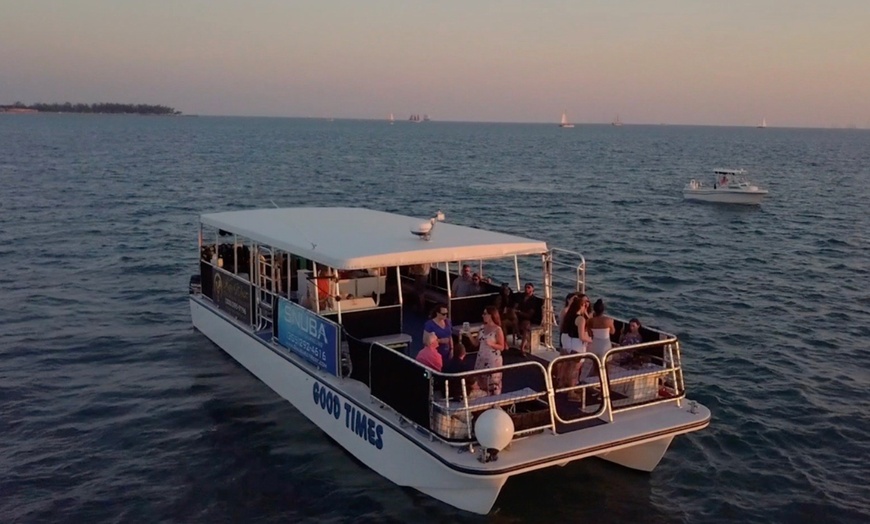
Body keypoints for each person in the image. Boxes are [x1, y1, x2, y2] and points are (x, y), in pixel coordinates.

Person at [473, 306, 507, 395]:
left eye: (485, 314)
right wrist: (468, 334)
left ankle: (494, 402)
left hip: (493, 360)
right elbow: (476, 343)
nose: (483, 316)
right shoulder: (481, 328)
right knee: (480, 381)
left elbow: (502, 347)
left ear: (491, 315)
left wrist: (491, 344)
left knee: (493, 384)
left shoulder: (498, 330)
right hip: (481, 358)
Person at [511, 283, 543, 353]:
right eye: (526, 287)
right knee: (512, 318)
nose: (526, 289)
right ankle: (518, 334)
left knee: (526, 326)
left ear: (532, 289)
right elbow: (515, 306)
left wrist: (519, 312)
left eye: (528, 287)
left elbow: (529, 315)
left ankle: (522, 347)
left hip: (526, 318)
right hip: (517, 316)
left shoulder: (533, 300)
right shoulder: (521, 296)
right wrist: (516, 311)